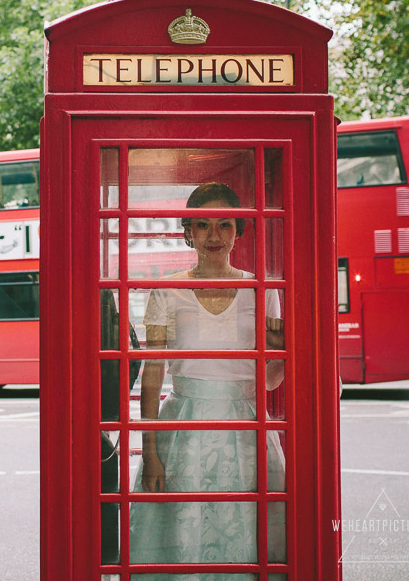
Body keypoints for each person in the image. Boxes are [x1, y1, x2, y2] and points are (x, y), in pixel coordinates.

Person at [129, 182, 286, 579]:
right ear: (188, 231)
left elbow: (269, 381)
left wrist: (285, 348)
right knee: (186, 529)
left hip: (247, 427)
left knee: (244, 532)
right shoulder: (166, 290)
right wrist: (150, 451)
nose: (214, 236)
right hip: (184, 428)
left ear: (239, 230)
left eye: (224, 225)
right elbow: (153, 372)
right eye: (202, 225)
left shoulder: (262, 290)